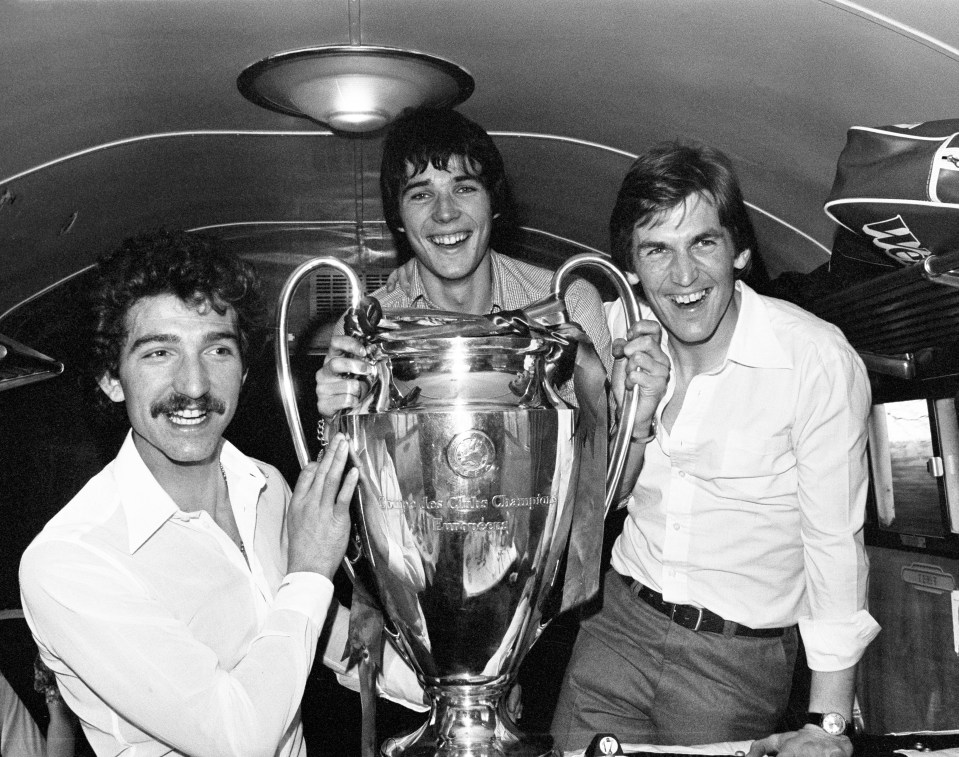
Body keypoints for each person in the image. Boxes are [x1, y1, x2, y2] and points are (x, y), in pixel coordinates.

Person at [19, 230, 421, 757]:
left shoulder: (266, 487)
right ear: (111, 379)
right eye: (159, 352)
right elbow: (236, 738)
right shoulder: (70, 562)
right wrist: (308, 571)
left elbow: (319, 632)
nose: (193, 384)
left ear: (245, 370)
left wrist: (460, 688)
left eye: (217, 349)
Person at [551, 142, 881, 757]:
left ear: (741, 252)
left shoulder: (814, 359)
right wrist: (636, 418)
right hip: (616, 628)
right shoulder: (620, 342)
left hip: (735, 660)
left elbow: (835, 544)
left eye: (702, 243)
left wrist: (827, 725)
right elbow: (595, 509)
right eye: (658, 250)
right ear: (631, 268)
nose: (683, 276)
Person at [314, 105, 612, 419]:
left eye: (464, 188)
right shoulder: (363, 327)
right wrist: (335, 421)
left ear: (493, 203)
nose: (445, 213)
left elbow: (598, 455)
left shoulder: (568, 302)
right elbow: (350, 463)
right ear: (398, 217)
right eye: (421, 195)